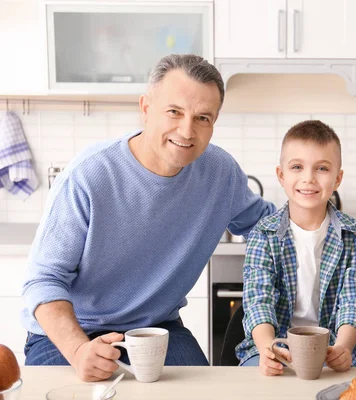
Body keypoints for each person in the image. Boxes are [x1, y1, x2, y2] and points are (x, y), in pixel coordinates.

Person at [21, 54, 276, 381]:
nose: (187, 130)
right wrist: (78, 350)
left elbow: (274, 226)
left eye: (203, 118)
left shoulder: (220, 174)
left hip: (157, 329)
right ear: (145, 108)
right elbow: (42, 279)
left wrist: (336, 225)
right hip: (70, 333)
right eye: (174, 112)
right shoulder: (89, 175)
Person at [236, 120, 356, 375]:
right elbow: (259, 300)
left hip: (334, 348)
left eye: (322, 168)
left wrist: (343, 347)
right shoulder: (263, 235)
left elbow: (354, 303)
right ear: (281, 175)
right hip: (274, 346)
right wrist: (267, 347)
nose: (308, 178)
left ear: (338, 178)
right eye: (297, 167)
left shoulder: (354, 236)